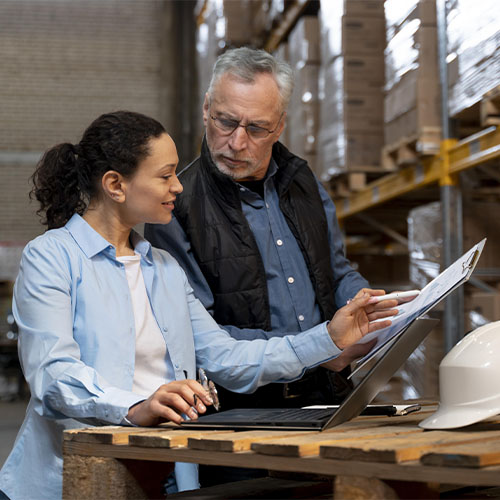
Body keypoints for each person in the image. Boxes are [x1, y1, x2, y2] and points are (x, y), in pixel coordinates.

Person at [0, 111, 395, 500]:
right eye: (165, 175)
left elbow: (226, 356)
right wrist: (136, 406)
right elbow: (52, 376)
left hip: (164, 476)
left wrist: (329, 338)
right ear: (115, 185)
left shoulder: (164, 268)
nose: (178, 186)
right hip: (70, 482)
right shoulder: (50, 257)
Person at [145, 47, 390, 412]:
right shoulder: (175, 208)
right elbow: (201, 335)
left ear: (280, 126)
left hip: (327, 398)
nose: (237, 142)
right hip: (240, 412)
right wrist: (320, 346)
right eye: (225, 121)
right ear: (206, 108)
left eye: (257, 128)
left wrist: (372, 307)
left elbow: (336, 274)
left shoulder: (303, 181)